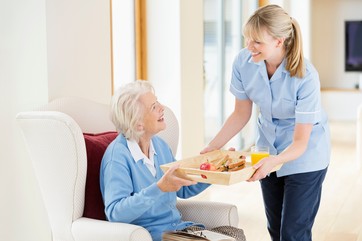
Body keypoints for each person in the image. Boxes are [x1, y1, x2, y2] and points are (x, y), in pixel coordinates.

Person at [201, 4, 330, 241]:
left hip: (305, 156)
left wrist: (274, 162)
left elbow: (301, 142)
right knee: (275, 229)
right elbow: (241, 113)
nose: (249, 46)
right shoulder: (244, 62)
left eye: (257, 42)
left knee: (293, 233)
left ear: (279, 41)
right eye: (247, 39)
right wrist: (213, 146)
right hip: (267, 149)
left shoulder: (306, 76)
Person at [100, 80, 246, 241]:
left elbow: (183, 188)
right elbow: (116, 213)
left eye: (158, 102)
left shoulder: (160, 145)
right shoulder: (117, 157)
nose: (162, 108)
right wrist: (159, 188)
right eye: (154, 107)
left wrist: (218, 168)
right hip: (152, 235)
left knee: (235, 235)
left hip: (179, 230)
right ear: (138, 124)